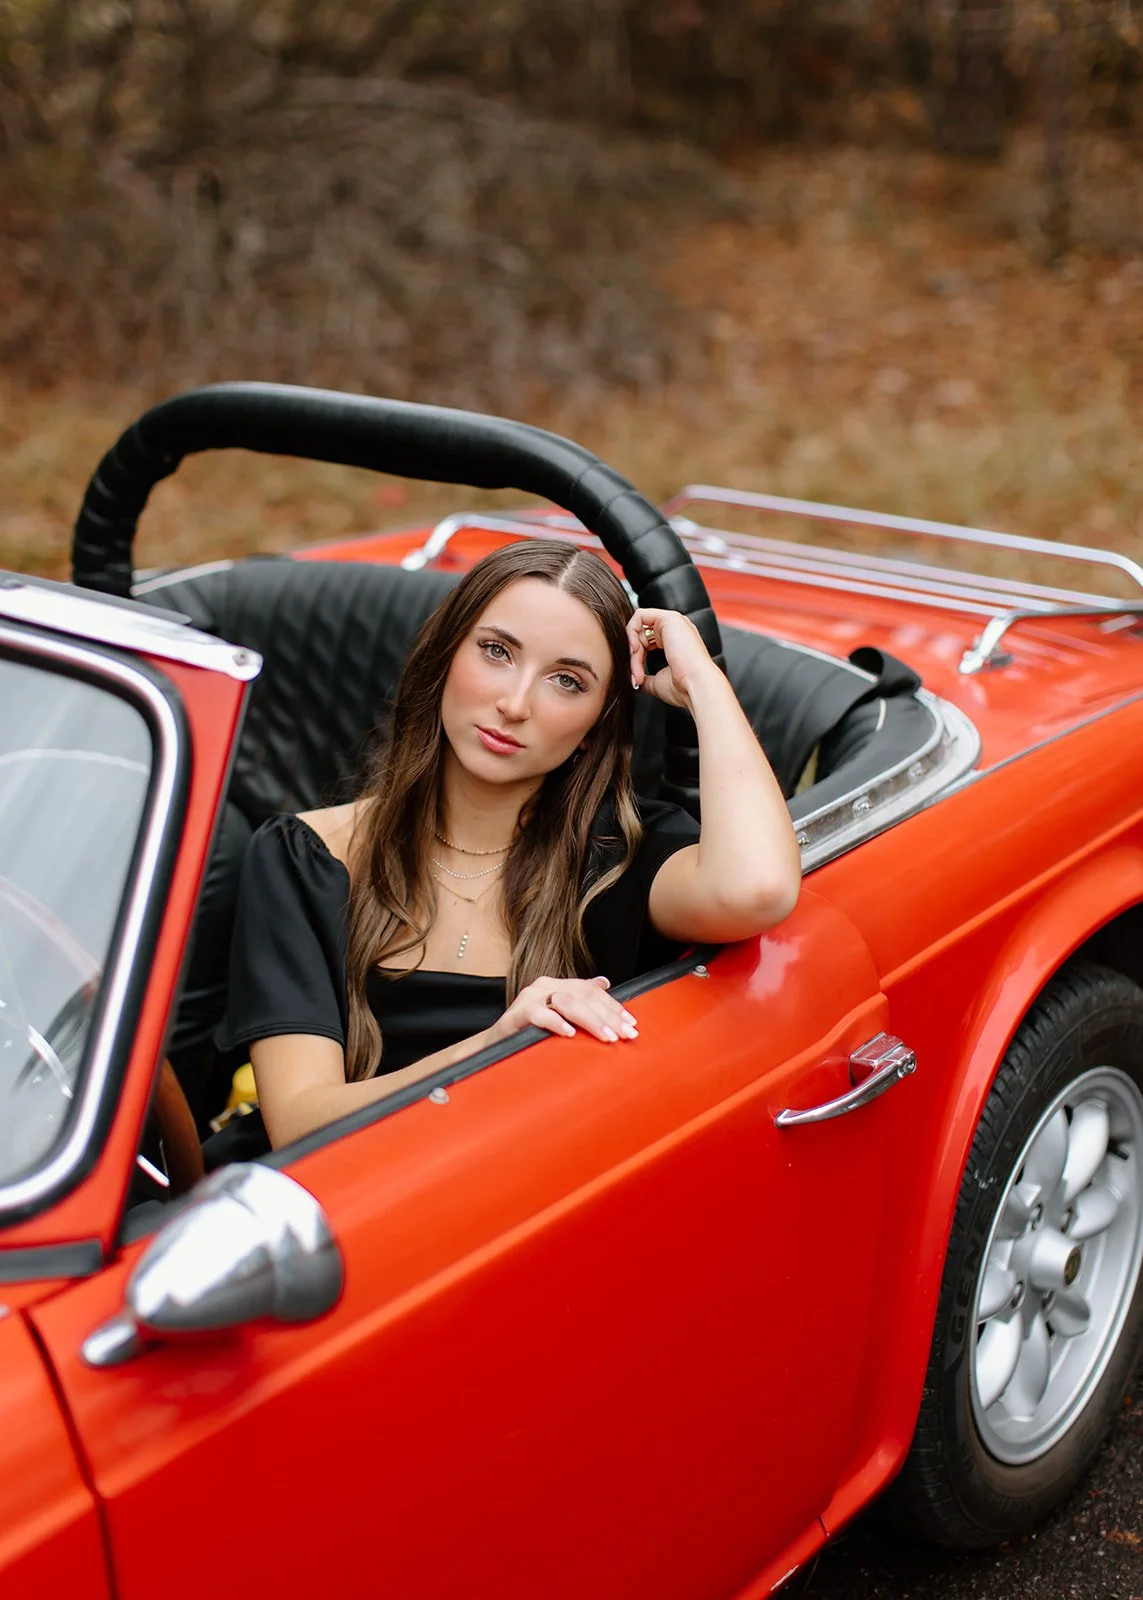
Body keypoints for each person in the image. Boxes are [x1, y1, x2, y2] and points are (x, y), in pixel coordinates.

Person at [216, 540, 801, 1149]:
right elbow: (300, 1125)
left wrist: (702, 680)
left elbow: (756, 888)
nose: (514, 704)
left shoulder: (617, 857)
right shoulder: (307, 856)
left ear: (596, 723)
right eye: (497, 651)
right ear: (445, 655)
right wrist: (498, 1047)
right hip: (343, 1214)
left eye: (568, 681)